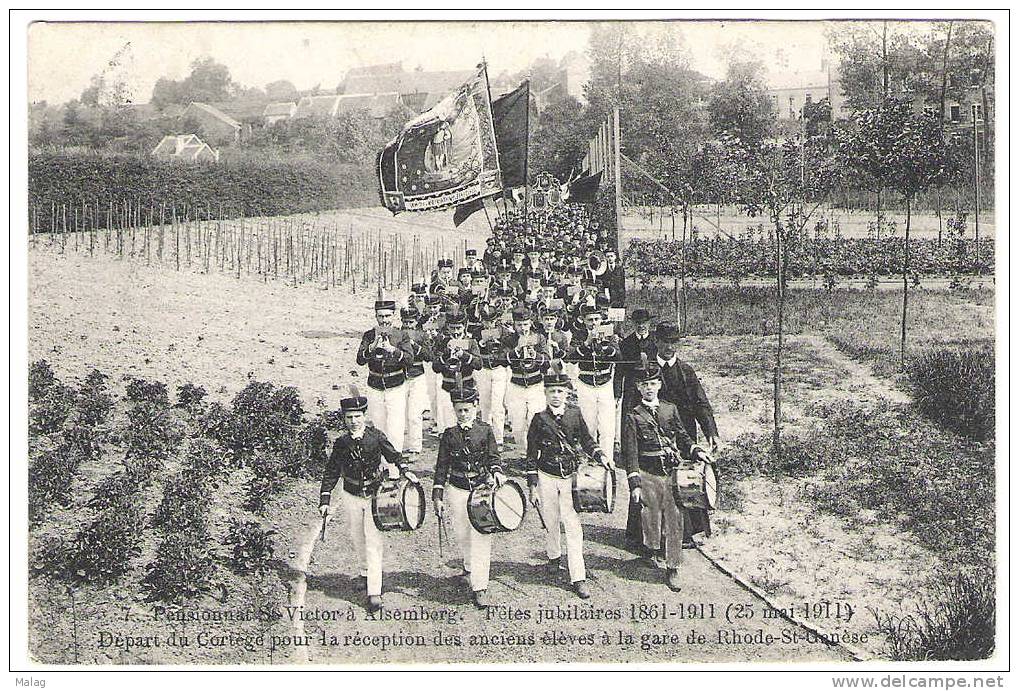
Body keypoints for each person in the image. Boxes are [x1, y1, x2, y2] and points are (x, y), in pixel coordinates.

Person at [319, 394, 418, 613]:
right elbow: (332, 471)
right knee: (357, 537)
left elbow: (393, 455)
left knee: (373, 542)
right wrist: (325, 498)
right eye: (349, 417)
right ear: (344, 419)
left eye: (357, 416)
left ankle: (375, 592)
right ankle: (364, 573)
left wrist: (406, 471)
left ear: (364, 415)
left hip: (374, 496)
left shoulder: (375, 437)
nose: (354, 421)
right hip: (351, 495)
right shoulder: (341, 443)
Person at [620, 358, 709, 591]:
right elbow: (630, 452)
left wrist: (696, 449)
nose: (649, 388)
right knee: (650, 519)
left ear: (659, 385)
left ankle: (672, 567)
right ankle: (650, 551)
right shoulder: (633, 416)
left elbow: (683, 436)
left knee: (675, 520)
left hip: (671, 474)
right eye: (644, 384)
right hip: (648, 474)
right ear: (638, 388)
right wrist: (635, 483)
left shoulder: (670, 409)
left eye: (653, 383)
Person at [525, 368, 611, 599]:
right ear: (545, 393)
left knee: (572, 526)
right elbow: (531, 454)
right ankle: (553, 557)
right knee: (551, 521)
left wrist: (600, 455)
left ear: (566, 393)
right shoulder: (539, 419)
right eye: (552, 391)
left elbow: (587, 440)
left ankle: (578, 577)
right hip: (547, 476)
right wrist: (532, 485)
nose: (556, 395)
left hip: (571, 479)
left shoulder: (574, 414)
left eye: (560, 391)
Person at [432, 387, 506, 608]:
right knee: (462, 533)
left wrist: (496, 471)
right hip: (457, 489)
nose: (463, 414)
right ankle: (469, 566)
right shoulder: (449, 434)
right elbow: (441, 466)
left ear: (475, 408)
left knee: (482, 535)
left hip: (481, 490)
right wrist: (438, 494)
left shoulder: (485, 431)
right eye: (459, 410)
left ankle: (480, 586)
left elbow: (494, 457)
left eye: (467, 409)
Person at [654, 322, 720, 546]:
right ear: (656, 342)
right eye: (664, 342)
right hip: (654, 434)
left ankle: (686, 533)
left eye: (673, 342)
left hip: (685, 434)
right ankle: (649, 536)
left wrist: (710, 431)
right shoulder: (646, 371)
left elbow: (701, 403)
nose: (669, 347)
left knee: (687, 481)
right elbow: (631, 408)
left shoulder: (686, 371)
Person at [356, 300, 414, 451]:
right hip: (374, 386)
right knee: (378, 426)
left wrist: (392, 350)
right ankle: (381, 465)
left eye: (388, 316)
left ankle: (394, 468)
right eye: (380, 316)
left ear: (393, 316)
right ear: (376, 317)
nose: (384, 320)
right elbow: (360, 360)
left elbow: (410, 360)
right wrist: (372, 347)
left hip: (396, 386)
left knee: (395, 426)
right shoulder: (369, 335)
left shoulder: (401, 335)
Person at [565, 305, 620, 462]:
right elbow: (570, 358)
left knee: (607, 424)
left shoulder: (609, 334)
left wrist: (606, 346)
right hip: (586, 383)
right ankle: (592, 457)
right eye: (590, 320)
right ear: (583, 321)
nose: (594, 323)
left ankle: (607, 458)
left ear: (601, 320)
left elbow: (619, 356)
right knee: (589, 423)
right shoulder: (579, 335)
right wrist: (587, 343)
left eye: (597, 319)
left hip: (605, 383)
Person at [502, 306, 551, 452]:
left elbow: (548, 360)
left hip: (535, 386)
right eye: (519, 325)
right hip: (516, 387)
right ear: (514, 325)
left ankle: (535, 455)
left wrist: (535, 355)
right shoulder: (509, 340)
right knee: (517, 427)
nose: (523, 328)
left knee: (536, 422)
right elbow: (502, 360)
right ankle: (525, 453)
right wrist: (517, 349)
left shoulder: (539, 337)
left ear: (530, 323)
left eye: (525, 324)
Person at [431, 312, 481, 431]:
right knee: (449, 424)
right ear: (448, 327)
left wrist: (464, 355)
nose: (456, 332)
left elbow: (479, 364)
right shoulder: (443, 343)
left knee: (468, 423)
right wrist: (446, 355)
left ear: (464, 327)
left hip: (467, 386)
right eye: (452, 328)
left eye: (458, 328)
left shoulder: (471, 342)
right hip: (448, 387)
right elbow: (435, 368)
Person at [400, 306, 432, 463]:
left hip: (417, 377)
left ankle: (415, 447)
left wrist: (414, 345)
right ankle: (399, 446)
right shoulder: (396, 335)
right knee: (401, 414)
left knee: (414, 414)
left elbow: (429, 356)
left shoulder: (421, 335)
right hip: (400, 378)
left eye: (410, 322)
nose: (407, 326)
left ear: (416, 320)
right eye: (405, 322)